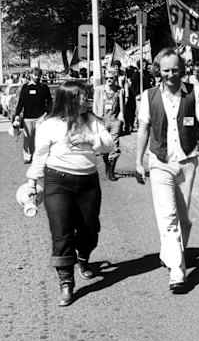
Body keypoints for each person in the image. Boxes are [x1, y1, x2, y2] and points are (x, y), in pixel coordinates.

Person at [135, 48, 199, 294]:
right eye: (165, 70)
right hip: (160, 162)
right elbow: (143, 130)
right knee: (169, 218)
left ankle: (170, 254)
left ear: (181, 69)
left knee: (184, 220)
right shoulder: (149, 96)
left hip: (187, 162)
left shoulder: (194, 93)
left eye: (175, 69)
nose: (171, 74)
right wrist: (139, 160)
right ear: (157, 71)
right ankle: (177, 272)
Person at [23, 80, 113, 306]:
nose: (87, 100)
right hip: (58, 183)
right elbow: (40, 156)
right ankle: (66, 283)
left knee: (89, 229)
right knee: (61, 232)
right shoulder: (50, 125)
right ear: (69, 99)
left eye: (87, 96)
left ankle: (83, 258)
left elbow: (109, 144)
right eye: (82, 96)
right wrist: (32, 184)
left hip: (88, 184)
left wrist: (90, 138)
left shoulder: (91, 121)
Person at [13, 67, 53, 163]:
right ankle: (27, 156)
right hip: (28, 118)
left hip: (41, 117)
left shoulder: (44, 88)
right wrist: (17, 115)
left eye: (39, 75)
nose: (37, 77)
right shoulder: (25, 87)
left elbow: (50, 101)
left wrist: (47, 112)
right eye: (35, 75)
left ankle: (38, 156)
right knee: (28, 138)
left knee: (40, 138)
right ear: (31, 75)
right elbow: (20, 102)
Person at [93, 67, 125, 181]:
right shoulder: (99, 90)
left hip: (114, 119)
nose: (109, 80)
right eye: (107, 78)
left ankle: (111, 170)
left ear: (115, 79)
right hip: (102, 119)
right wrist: (96, 120)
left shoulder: (119, 90)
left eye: (111, 78)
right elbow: (95, 106)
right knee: (103, 145)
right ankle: (106, 162)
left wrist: (121, 120)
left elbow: (122, 107)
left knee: (115, 145)